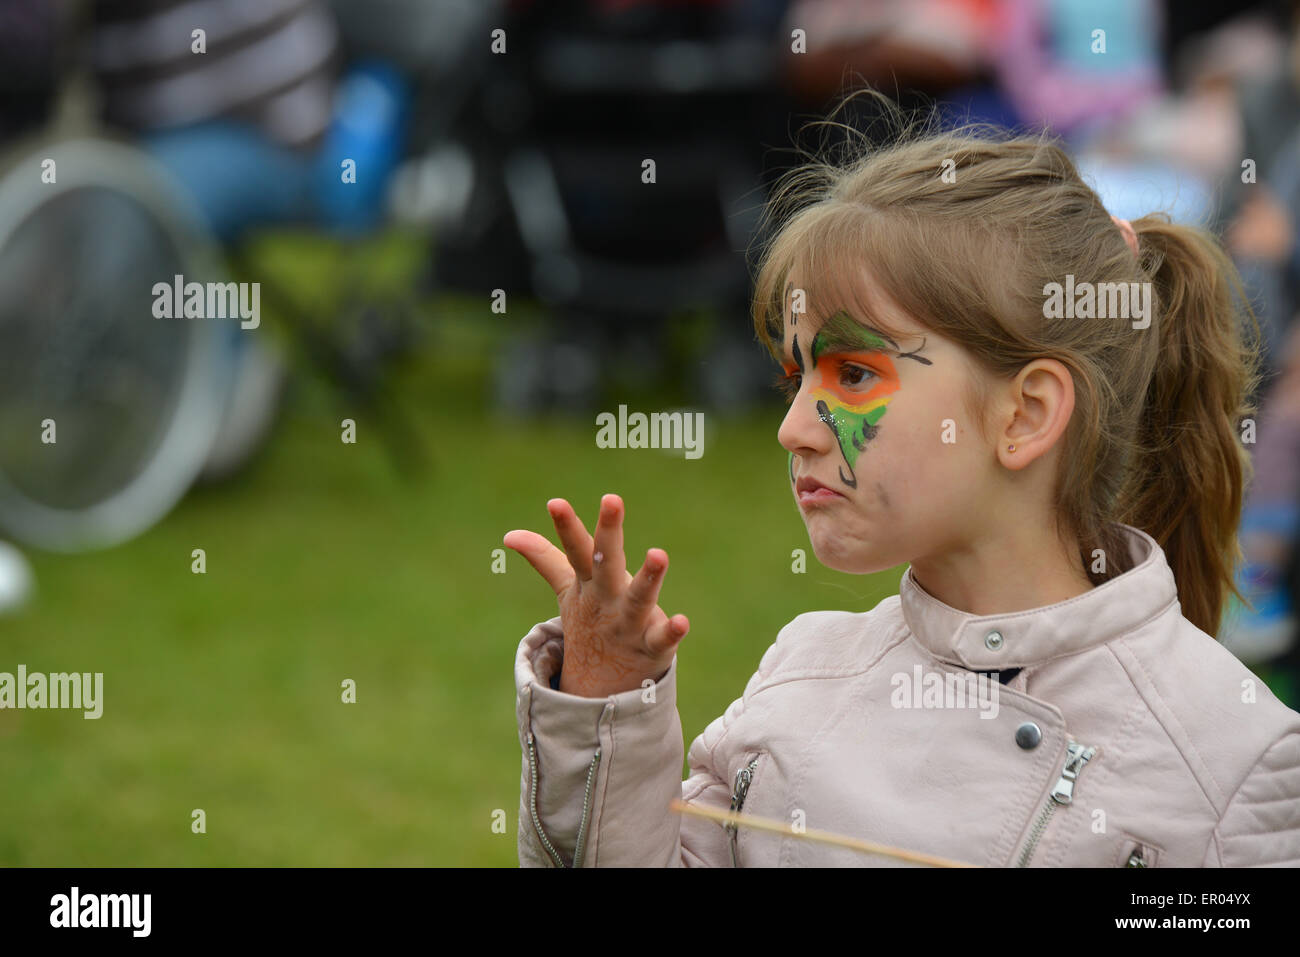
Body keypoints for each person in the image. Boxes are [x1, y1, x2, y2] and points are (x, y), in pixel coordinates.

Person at [502, 92, 1300, 867]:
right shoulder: (804, 674)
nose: (792, 429)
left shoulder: (1230, 763)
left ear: (1024, 415)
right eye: (797, 378)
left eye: (853, 373)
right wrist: (606, 717)